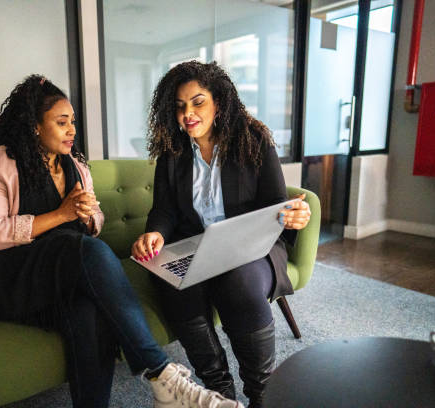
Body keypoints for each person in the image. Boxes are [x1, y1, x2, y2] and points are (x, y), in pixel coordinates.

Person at [0, 74, 244, 408]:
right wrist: (63, 215)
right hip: (11, 275)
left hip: (64, 273)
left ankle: (149, 385)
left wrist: (86, 216)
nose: (72, 130)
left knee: (90, 313)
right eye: (62, 122)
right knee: (85, 248)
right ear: (35, 127)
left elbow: (96, 221)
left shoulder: (77, 167)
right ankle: (160, 371)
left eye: (73, 122)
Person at [131, 61, 311, 408]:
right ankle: (219, 392)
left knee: (239, 281)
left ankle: (262, 395)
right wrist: (154, 233)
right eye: (180, 106)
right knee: (167, 277)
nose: (188, 114)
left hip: (251, 249)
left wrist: (294, 216)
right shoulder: (174, 152)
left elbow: (277, 205)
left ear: (219, 102)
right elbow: (165, 210)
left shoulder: (253, 140)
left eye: (197, 102)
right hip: (197, 247)